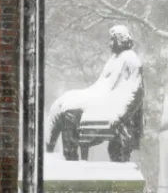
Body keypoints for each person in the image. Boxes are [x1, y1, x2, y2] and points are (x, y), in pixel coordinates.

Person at [46, 24, 144, 162]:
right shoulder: (114, 59)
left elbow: (136, 93)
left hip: (111, 106)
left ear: (121, 40)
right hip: (100, 97)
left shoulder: (131, 59)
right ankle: (49, 151)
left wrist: (120, 116)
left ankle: (70, 160)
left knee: (70, 110)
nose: (110, 44)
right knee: (62, 102)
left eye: (112, 40)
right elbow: (100, 85)